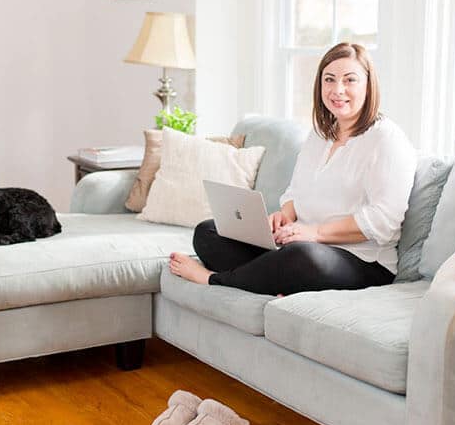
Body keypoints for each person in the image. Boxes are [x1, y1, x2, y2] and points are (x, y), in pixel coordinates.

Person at [169, 42, 417, 296]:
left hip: (361, 261)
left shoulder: (387, 140)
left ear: (368, 85)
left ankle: (214, 279)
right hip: (299, 243)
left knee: (300, 256)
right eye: (329, 79)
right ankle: (278, 279)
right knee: (208, 232)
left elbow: (383, 221)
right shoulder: (321, 135)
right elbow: (296, 192)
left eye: (350, 80)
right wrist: (284, 215)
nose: (337, 89)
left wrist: (316, 234)